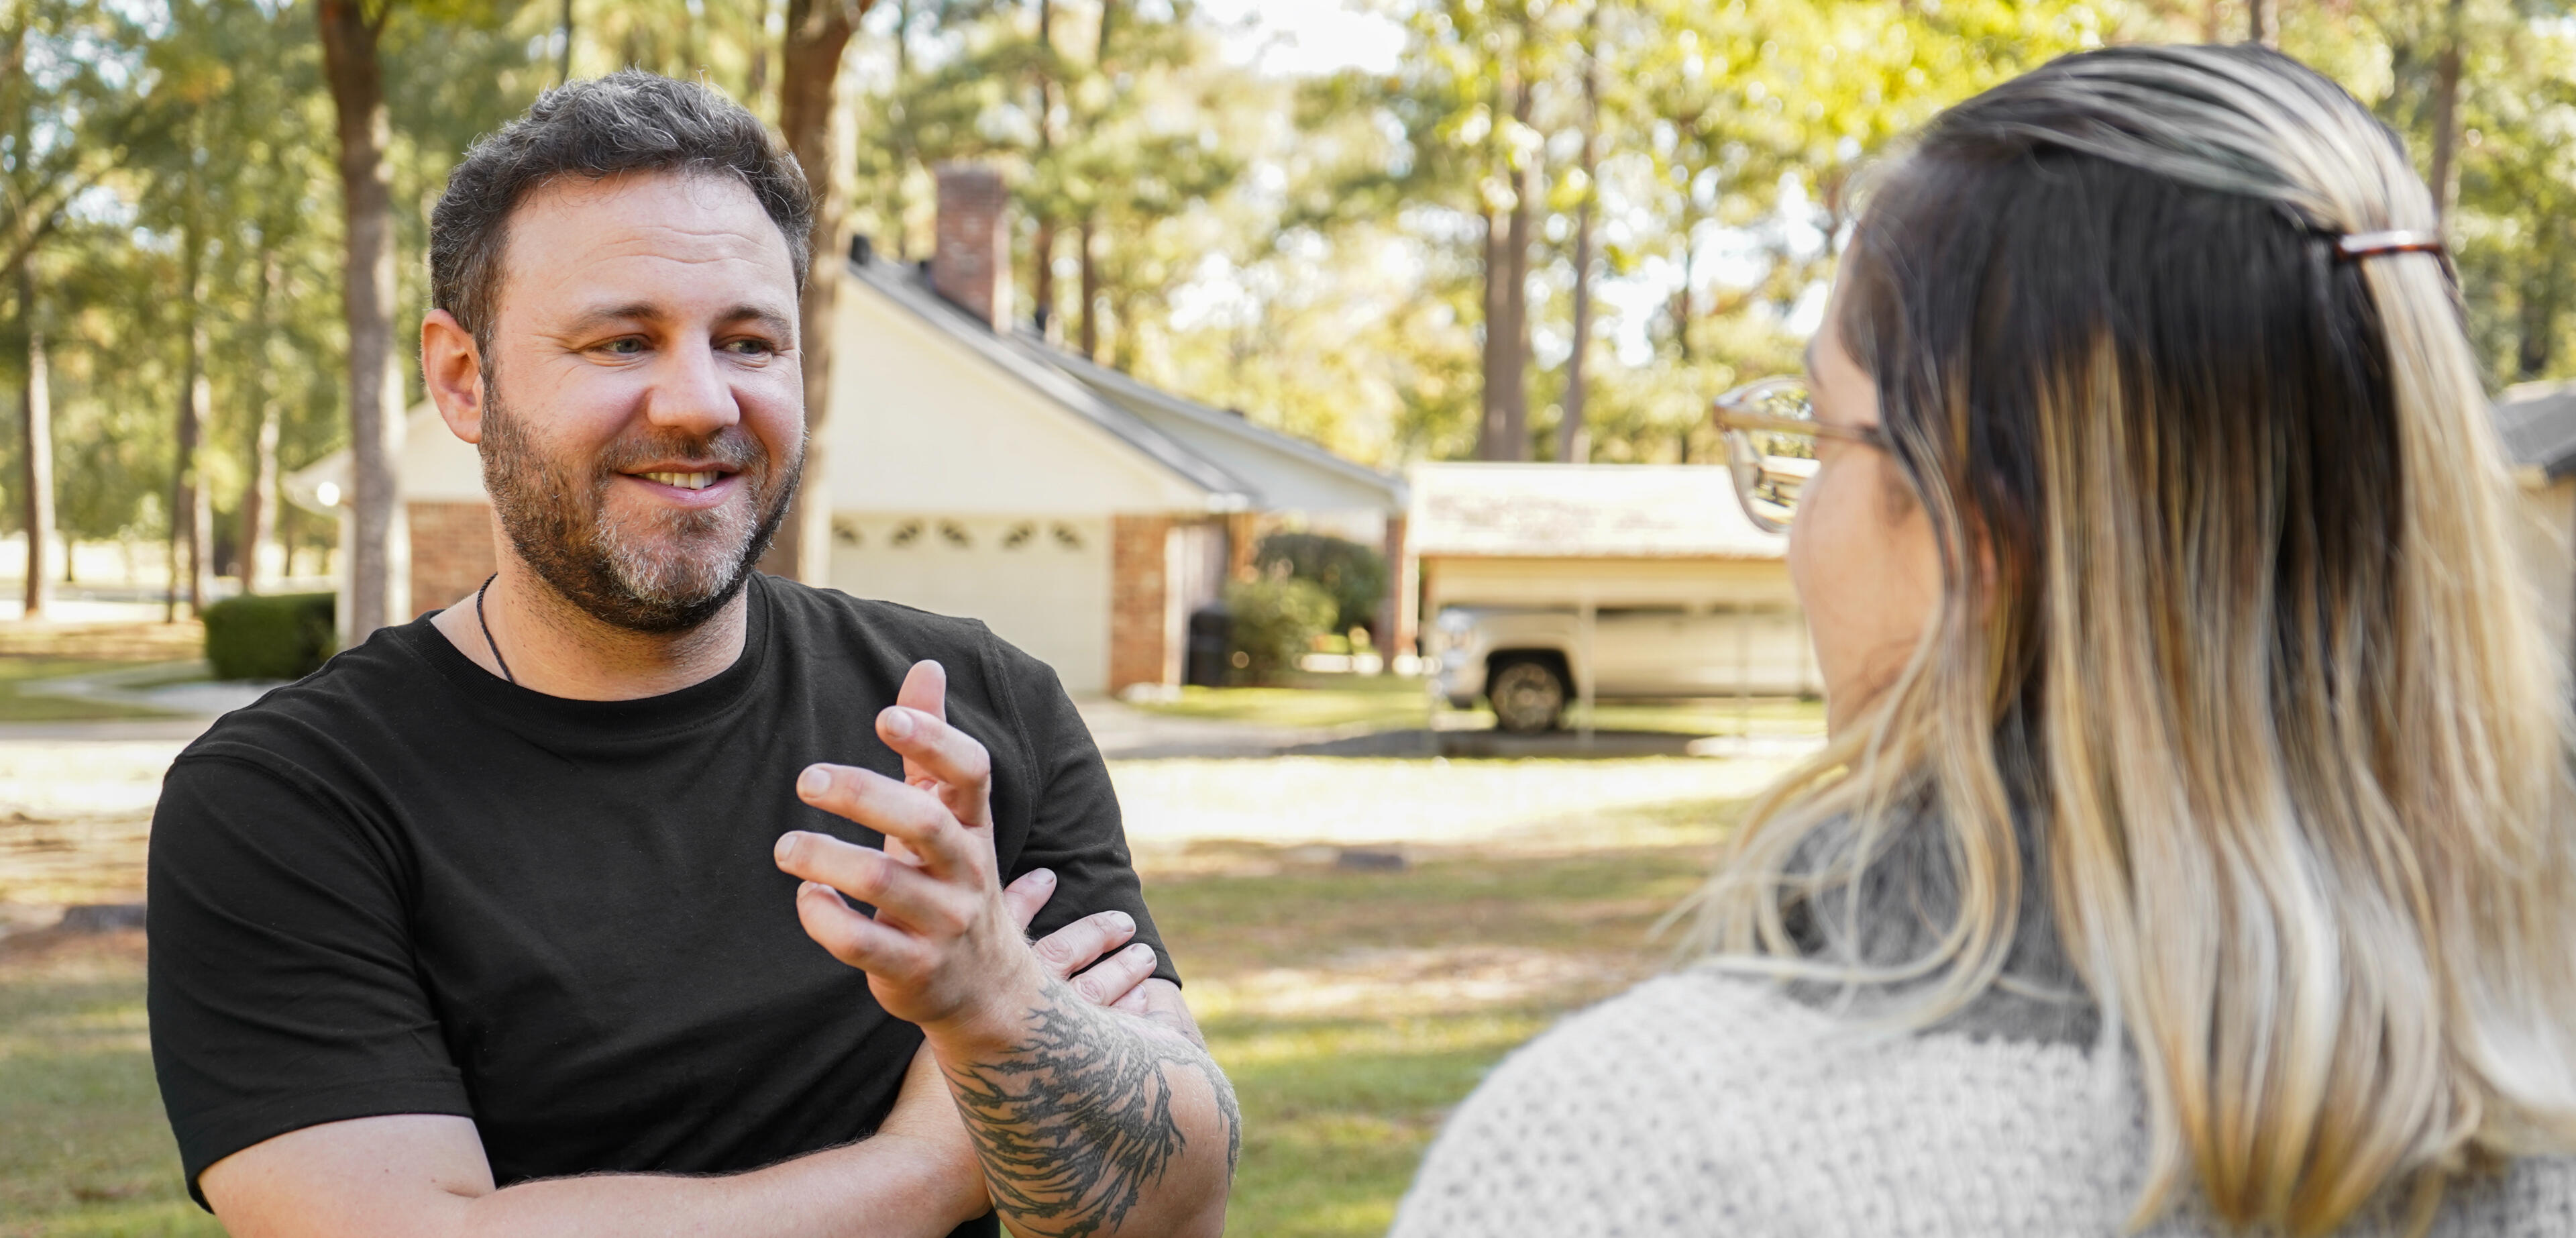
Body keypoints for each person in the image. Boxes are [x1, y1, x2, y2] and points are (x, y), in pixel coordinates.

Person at [1393, 44, 2576, 1237]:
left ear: (1976, 530)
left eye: (1819, 431)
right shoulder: (2535, 1140)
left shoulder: (1623, 1161)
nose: (1800, 527)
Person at [146, 71, 1235, 1238]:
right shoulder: (291, 797)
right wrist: (929, 1163)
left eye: (749, 340)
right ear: (464, 380)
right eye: (623, 340)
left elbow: (1174, 1202)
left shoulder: (972, 713)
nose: (698, 401)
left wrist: (994, 1001)